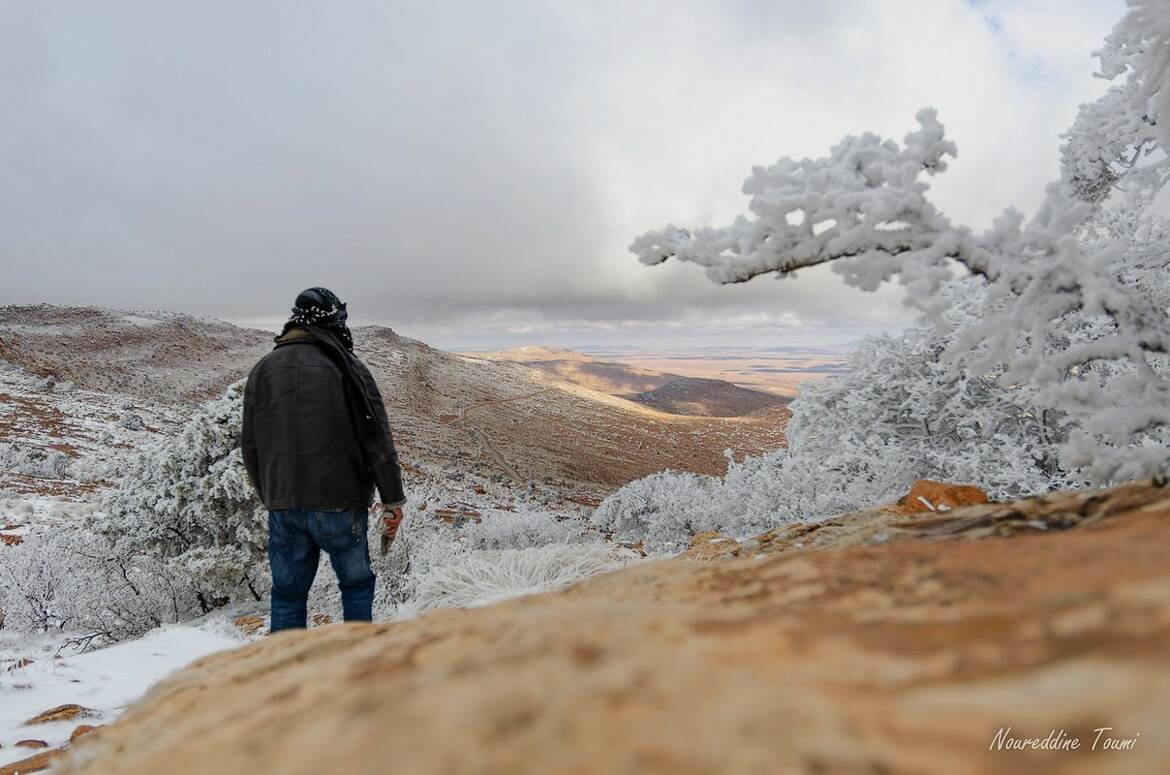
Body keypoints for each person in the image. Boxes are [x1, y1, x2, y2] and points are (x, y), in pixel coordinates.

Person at [241, 287, 406, 632]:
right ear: (333, 320)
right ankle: (357, 664)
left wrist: (271, 495)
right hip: (340, 501)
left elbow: (251, 447)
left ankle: (287, 672)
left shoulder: (262, 370)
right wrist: (392, 499)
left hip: (284, 503)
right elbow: (376, 437)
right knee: (356, 584)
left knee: (288, 593)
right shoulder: (348, 368)